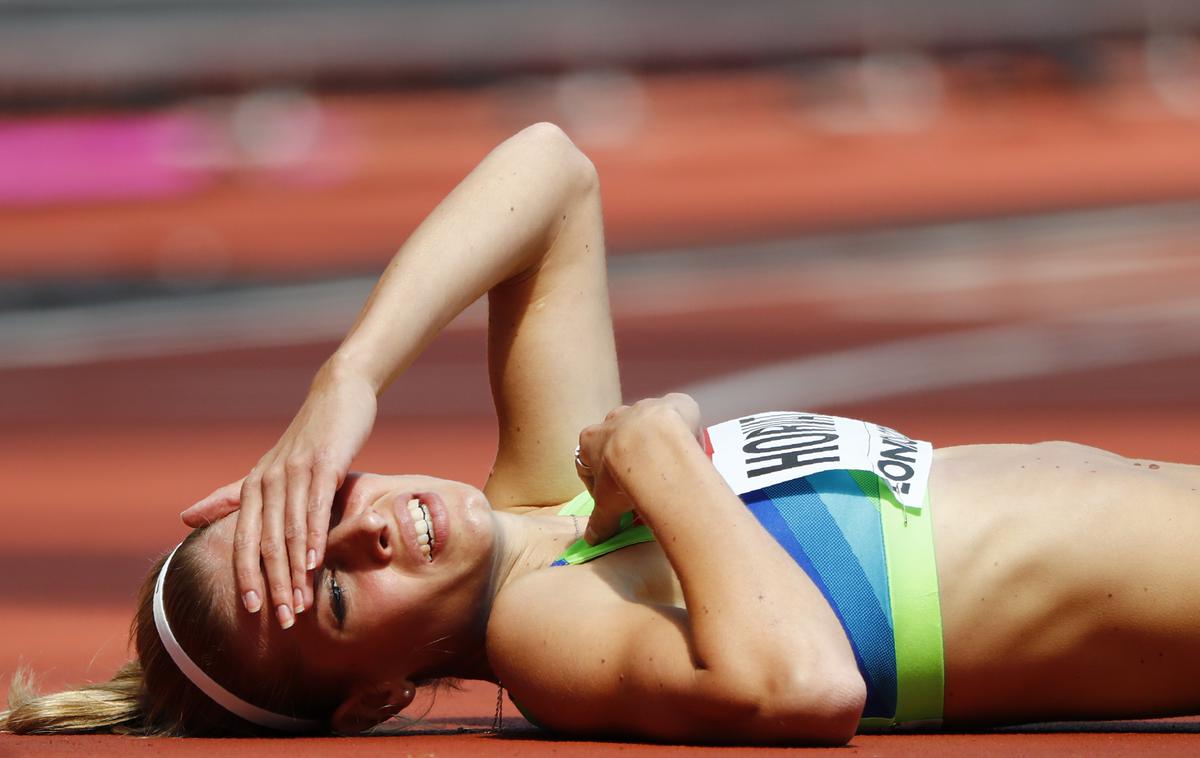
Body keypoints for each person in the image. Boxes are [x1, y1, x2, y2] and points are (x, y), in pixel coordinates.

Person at [4, 123, 1200, 744]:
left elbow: (554, 173)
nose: (367, 533)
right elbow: (805, 683)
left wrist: (348, 375)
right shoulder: (555, 638)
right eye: (331, 599)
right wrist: (656, 450)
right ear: (371, 699)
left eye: (322, 507)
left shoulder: (542, 503)